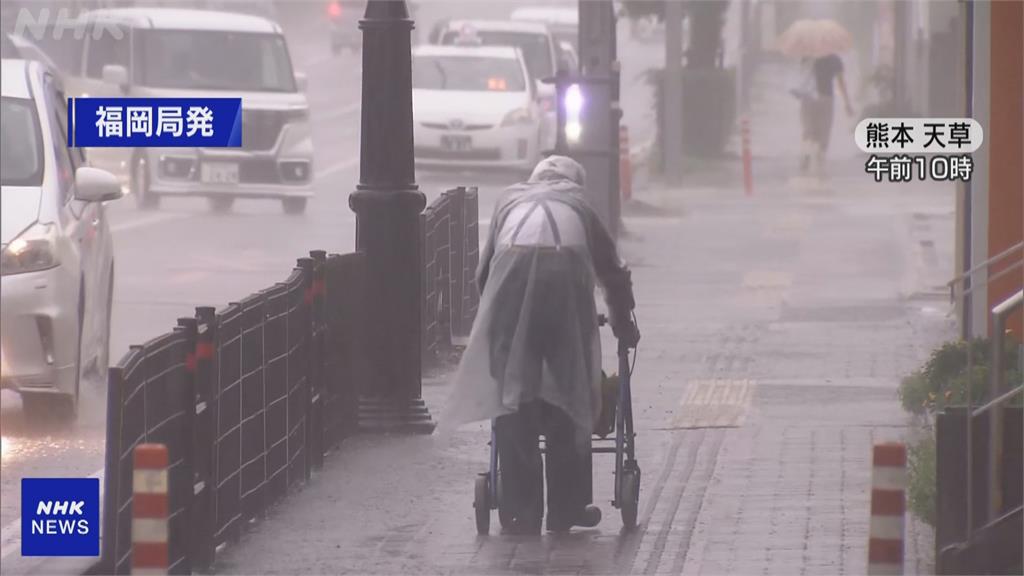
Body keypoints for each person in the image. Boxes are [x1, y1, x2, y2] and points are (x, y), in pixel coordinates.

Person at [441, 156, 640, 534]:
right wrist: (622, 322)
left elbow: (486, 273)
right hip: (563, 289)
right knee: (569, 393)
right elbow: (612, 272)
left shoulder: (510, 199)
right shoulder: (580, 204)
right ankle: (567, 508)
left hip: (508, 288)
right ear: (573, 182)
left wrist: (497, 329)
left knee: (514, 397)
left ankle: (520, 510)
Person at [795, 52, 854, 176]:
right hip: (826, 98)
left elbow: (801, 78)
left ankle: (806, 157)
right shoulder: (835, 59)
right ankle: (819, 163)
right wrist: (847, 103)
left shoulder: (807, 57)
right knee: (823, 134)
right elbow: (841, 83)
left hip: (808, 98)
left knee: (808, 131)